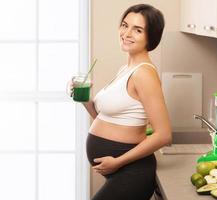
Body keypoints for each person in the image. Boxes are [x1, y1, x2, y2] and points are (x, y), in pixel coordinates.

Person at [68, 4, 172, 200]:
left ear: (151, 37)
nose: (127, 33)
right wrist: (84, 98)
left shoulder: (144, 73)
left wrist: (118, 162)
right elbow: (105, 118)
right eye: (125, 25)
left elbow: (164, 135)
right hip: (120, 169)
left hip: (133, 171)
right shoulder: (125, 69)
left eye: (138, 29)